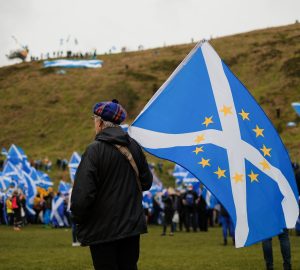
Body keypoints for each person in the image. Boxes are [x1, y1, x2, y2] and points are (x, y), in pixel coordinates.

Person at [71, 99, 153, 270]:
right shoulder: (135, 147)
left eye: (94, 119)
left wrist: (78, 219)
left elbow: (82, 195)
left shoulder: (95, 150)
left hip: (102, 231)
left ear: (100, 122)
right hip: (131, 228)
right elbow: (146, 183)